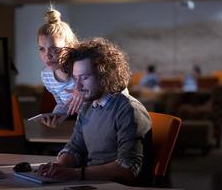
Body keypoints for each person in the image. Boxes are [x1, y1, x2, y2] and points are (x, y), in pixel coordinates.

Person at [37, 38, 152, 186]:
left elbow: (127, 169)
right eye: (76, 78)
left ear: (106, 76)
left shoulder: (129, 110)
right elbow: (75, 147)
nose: (77, 86)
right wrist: (60, 166)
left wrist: (76, 174)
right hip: (89, 182)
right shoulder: (87, 106)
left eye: (84, 77)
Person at [37, 6, 83, 127]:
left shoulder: (84, 70)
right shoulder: (47, 76)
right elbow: (63, 103)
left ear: (70, 46)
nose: (47, 56)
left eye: (55, 49)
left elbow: (111, 92)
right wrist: (57, 115)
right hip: (85, 125)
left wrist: (84, 91)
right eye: (42, 49)